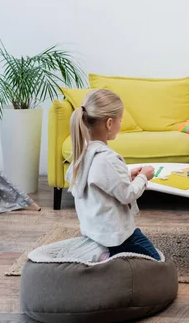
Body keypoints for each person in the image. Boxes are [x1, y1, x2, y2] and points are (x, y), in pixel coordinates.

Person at [65, 88, 160, 261]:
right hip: (116, 237)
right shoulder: (107, 159)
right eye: (120, 119)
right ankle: (110, 257)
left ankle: (104, 254)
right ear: (109, 123)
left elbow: (101, 184)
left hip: (93, 232)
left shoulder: (81, 155)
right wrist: (143, 177)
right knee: (158, 262)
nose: (120, 123)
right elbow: (127, 195)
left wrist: (128, 175)